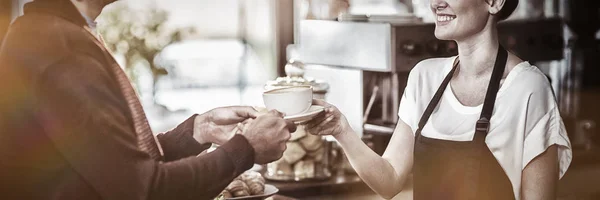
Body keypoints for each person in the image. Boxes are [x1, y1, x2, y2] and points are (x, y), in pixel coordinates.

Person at [0, 0, 295, 199]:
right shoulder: (62, 50)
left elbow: (115, 167)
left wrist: (198, 130)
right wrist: (246, 148)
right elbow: (144, 191)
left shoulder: (50, 32)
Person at [306, 0, 572, 199]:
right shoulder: (424, 77)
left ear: (494, 2)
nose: (435, 2)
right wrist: (342, 131)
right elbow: (389, 180)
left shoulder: (528, 88)